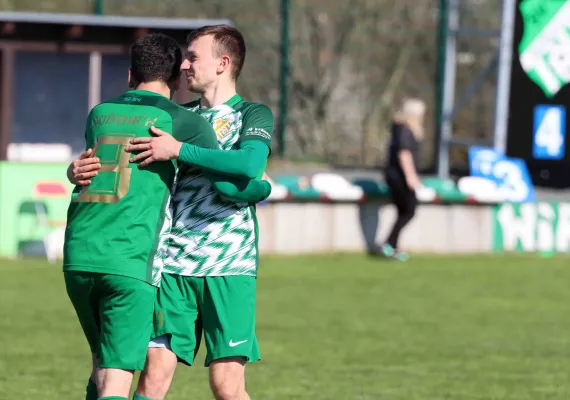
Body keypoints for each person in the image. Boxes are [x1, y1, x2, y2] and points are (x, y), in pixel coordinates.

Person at [68, 25, 273, 400]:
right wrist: (75, 170)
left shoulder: (252, 114)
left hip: (228, 264)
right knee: (151, 378)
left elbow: (247, 164)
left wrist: (180, 150)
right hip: (173, 264)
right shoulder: (174, 115)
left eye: (194, 57)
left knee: (226, 386)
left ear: (222, 63)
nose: (184, 66)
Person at [378, 98, 426, 261]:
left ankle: (393, 247)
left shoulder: (400, 128)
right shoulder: (404, 129)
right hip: (399, 177)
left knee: (402, 212)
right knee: (409, 210)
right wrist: (411, 177)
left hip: (395, 176)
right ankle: (389, 243)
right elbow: (404, 154)